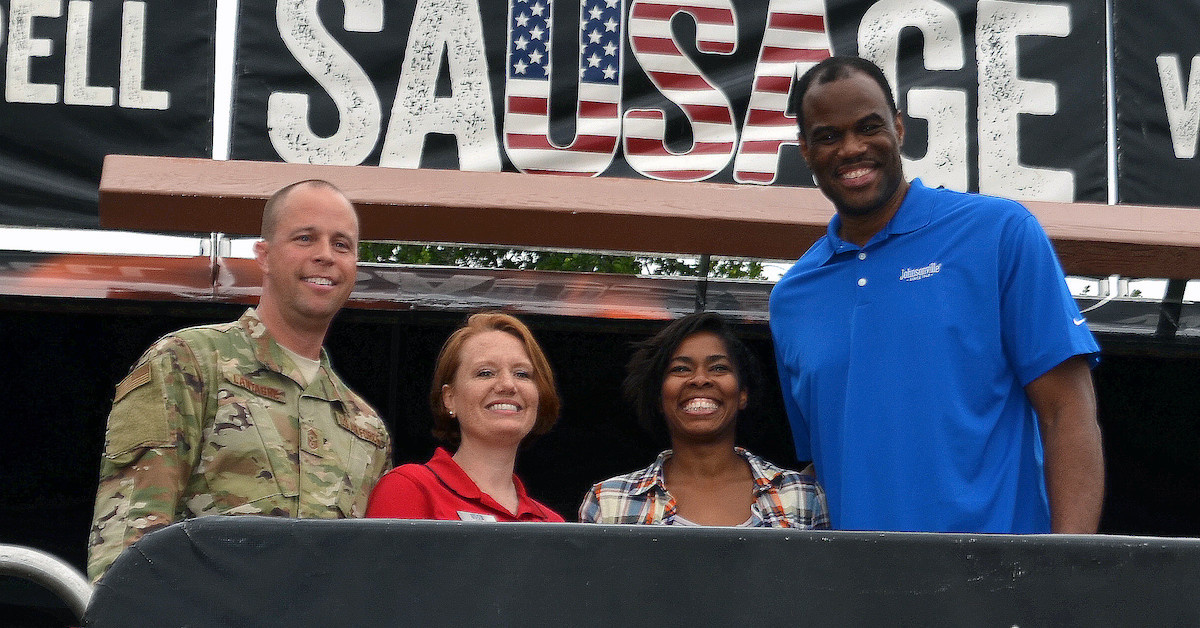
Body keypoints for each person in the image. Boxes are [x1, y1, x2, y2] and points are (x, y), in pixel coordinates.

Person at [769, 56, 1103, 533]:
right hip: (859, 594)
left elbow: (1066, 411)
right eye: (828, 136)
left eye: (870, 127)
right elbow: (826, 465)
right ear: (804, 149)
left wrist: (1067, 573)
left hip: (996, 585)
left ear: (899, 129)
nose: (852, 149)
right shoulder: (792, 298)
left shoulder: (999, 234)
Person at [87, 180, 392, 582]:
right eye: (305, 238)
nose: (325, 255)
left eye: (342, 245)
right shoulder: (188, 362)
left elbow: (368, 576)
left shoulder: (366, 428)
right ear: (263, 256)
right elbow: (129, 542)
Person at [579, 312, 828, 528]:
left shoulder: (802, 495)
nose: (700, 379)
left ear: (743, 393)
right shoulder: (609, 501)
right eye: (681, 369)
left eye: (719, 368)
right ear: (658, 396)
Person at [366, 312, 563, 522]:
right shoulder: (410, 488)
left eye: (522, 374)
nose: (507, 385)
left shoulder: (551, 523)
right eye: (485, 373)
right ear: (449, 398)